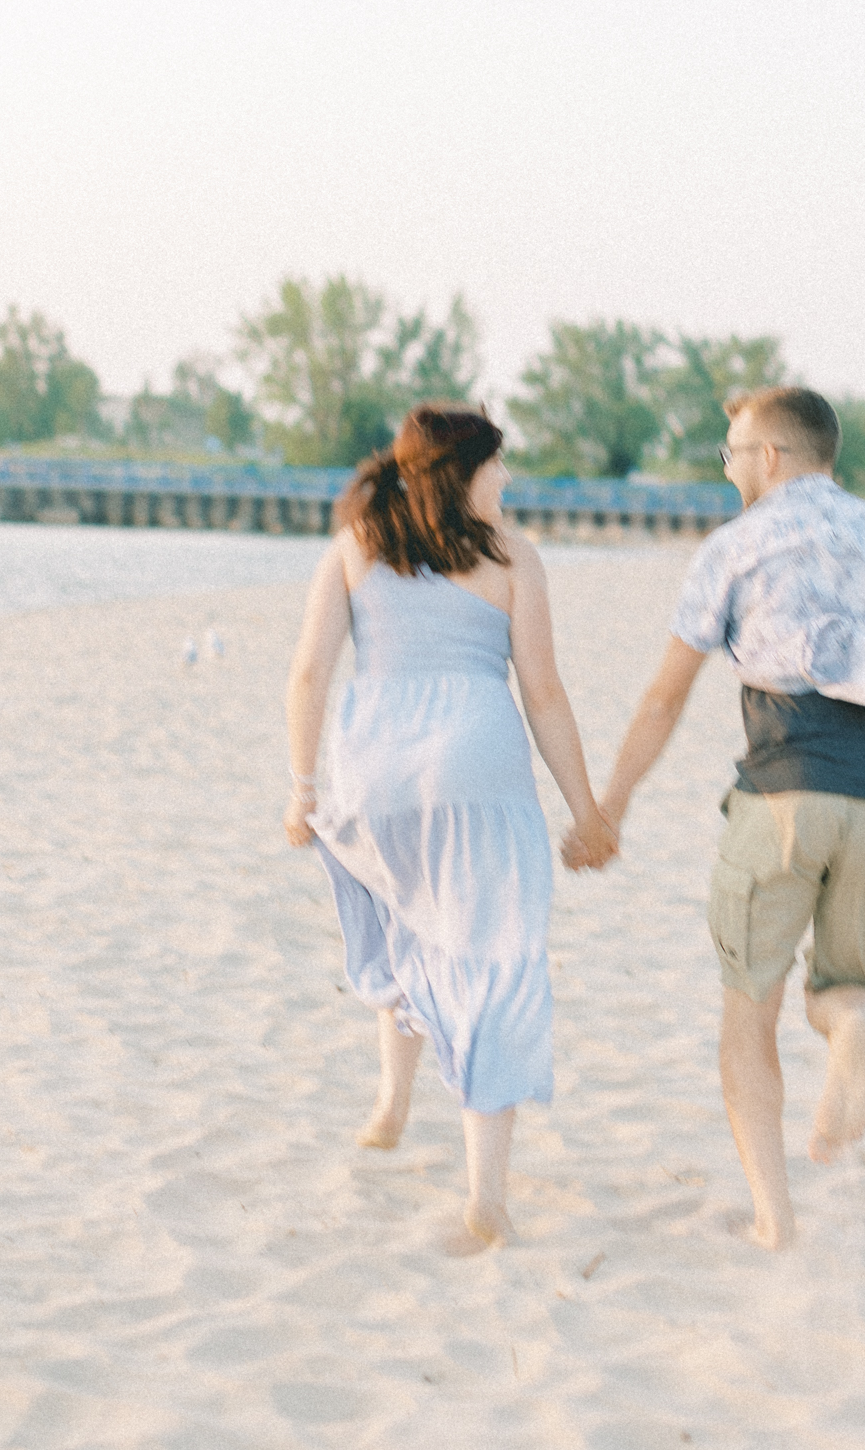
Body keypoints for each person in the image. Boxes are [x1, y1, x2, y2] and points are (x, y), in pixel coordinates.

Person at [564, 385, 865, 1251]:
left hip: (788, 786)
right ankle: (852, 1023)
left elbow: (663, 697)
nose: (728, 471)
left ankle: (773, 1217)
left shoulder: (736, 546)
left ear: (772, 458)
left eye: (731, 454)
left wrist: (608, 809)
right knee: (845, 987)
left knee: (746, 1011)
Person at [284, 405, 617, 1254]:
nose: (506, 481)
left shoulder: (356, 545)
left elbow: (309, 673)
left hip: (376, 773)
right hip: (476, 769)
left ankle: (391, 1108)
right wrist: (585, 810)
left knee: (405, 925)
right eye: (497, 466)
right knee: (488, 959)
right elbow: (542, 692)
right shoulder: (510, 558)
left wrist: (300, 787)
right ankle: (486, 1198)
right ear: (462, 471)